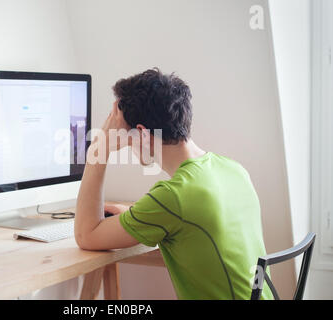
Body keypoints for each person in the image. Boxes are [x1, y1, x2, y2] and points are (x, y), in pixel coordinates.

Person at [74, 68, 272, 300]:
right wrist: (133, 215)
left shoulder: (172, 197)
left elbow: (86, 235)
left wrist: (98, 150)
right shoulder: (233, 170)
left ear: (141, 133)